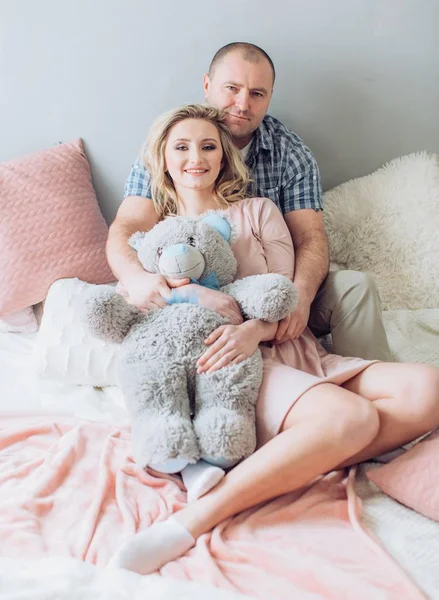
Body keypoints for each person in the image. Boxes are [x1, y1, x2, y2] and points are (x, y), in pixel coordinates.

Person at [108, 104, 439, 575]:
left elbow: (284, 293)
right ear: (163, 160)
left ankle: (299, 452)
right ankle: (194, 519)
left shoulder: (257, 211)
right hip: (232, 369)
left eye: (207, 146)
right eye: (181, 147)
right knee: (353, 417)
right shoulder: (152, 238)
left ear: (223, 156)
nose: (195, 157)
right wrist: (201, 297)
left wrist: (254, 329)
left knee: (426, 388)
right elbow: (145, 315)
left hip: (288, 345)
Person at [107, 41, 392, 361]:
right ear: (207, 85)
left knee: (357, 287)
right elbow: (128, 226)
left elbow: (310, 237)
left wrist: (297, 297)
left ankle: (371, 382)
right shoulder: (173, 143)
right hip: (195, 287)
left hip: (271, 283)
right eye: (232, 88)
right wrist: (137, 279)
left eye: (257, 93)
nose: (242, 104)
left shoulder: (289, 154)